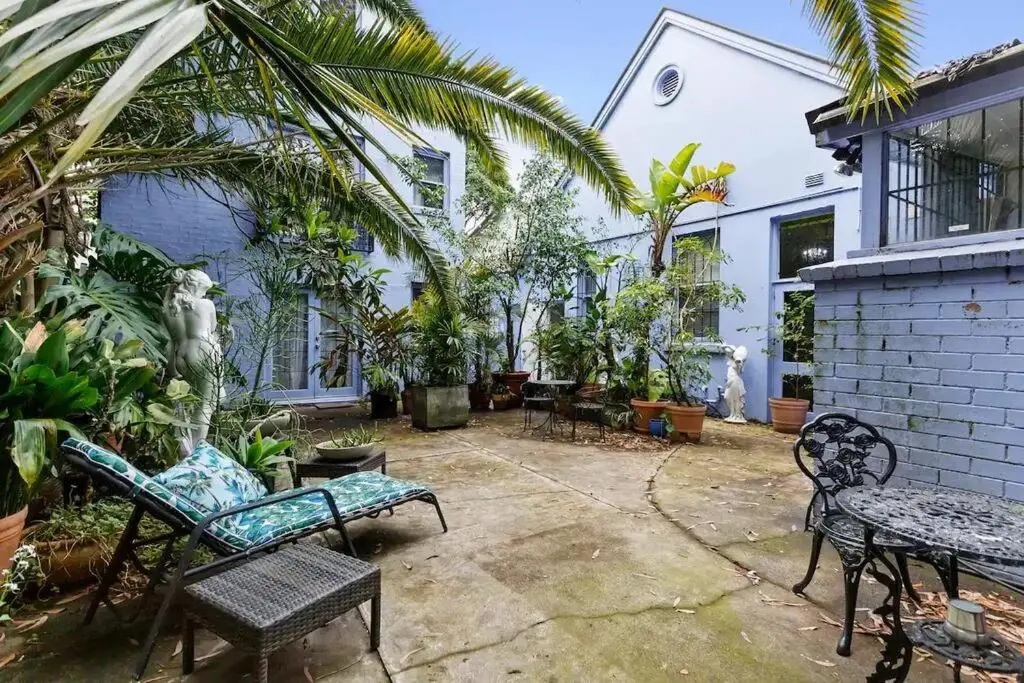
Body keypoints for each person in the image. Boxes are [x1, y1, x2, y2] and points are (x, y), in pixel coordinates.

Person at [163, 268, 224, 456]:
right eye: (204, 290)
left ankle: (182, 444)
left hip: (179, 355)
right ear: (195, 286)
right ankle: (197, 452)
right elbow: (212, 329)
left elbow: (171, 337)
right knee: (205, 403)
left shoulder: (168, 308)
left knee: (182, 402)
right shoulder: (206, 305)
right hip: (204, 351)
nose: (205, 294)